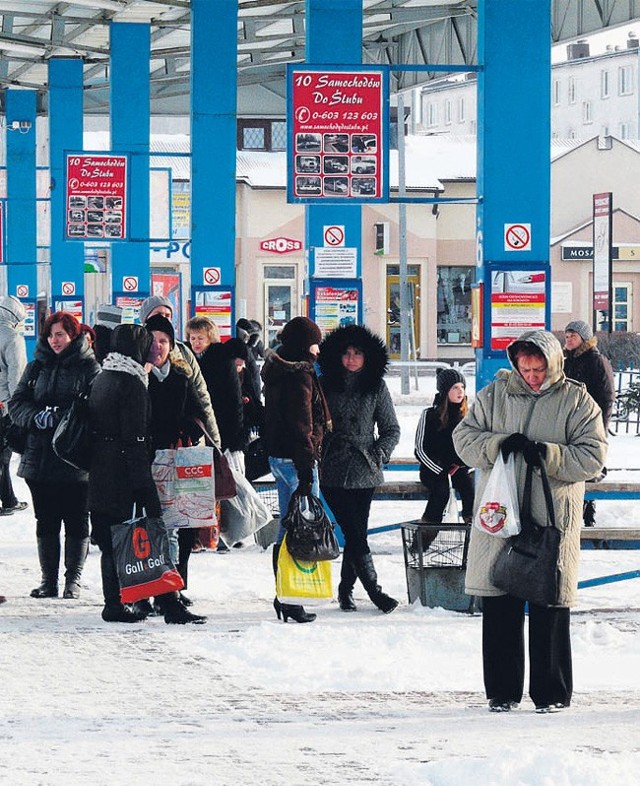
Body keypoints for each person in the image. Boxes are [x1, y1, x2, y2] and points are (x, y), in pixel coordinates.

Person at [452, 330, 607, 714]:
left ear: (553, 364)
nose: (533, 376)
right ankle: (502, 691)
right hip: (501, 515)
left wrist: (550, 455)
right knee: (500, 599)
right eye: (526, 368)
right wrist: (497, 444)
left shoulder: (577, 400)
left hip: (550, 516)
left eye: (540, 369)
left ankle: (551, 692)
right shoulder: (494, 396)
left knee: (548, 600)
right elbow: (463, 439)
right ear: (515, 364)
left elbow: (593, 456)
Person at [9, 312, 101, 599]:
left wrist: (61, 418)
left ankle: (73, 579)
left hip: (75, 458)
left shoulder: (90, 368)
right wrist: (36, 417)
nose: (54, 340)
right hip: (40, 457)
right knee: (46, 520)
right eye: (50, 334)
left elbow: (94, 409)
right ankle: (48, 580)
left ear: (73, 335)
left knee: (76, 519)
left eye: (60, 334)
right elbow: (17, 403)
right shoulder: (37, 366)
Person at [318, 324, 400, 614]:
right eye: (346, 353)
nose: (351, 359)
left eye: (358, 353)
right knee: (354, 531)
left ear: (368, 357)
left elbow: (391, 429)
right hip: (332, 466)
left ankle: (346, 590)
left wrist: (379, 453)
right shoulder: (325, 384)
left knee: (357, 531)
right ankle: (374, 591)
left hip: (365, 467)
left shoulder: (376, 386)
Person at [261, 316, 331, 623]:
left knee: (287, 526)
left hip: (279, 457)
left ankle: (284, 596)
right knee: (300, 527)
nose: (318, 348)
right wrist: (306, 471)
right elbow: (302, 426)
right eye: (314, 341)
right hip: (296, 460)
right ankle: (289, 598)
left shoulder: (278, 370)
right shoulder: (300, 375)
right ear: (305, 344)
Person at [88, 324, 159, 623]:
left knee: (108, 536)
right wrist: (143, 484)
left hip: (99, 465)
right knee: (124, 533)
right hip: (121, 469)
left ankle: (113, 600)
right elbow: (135, 437)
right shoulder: (132, 382)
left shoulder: (103, 376)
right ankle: (118, 602)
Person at [145, 314, 212, 624]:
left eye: (164, 341)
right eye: (153, 340)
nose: (157, 347)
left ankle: (169, 595)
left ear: (171, 346)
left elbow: (199, 415)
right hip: (146, 463)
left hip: (177, 461)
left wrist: (187, 430)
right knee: (153, 530)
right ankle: (153, 593)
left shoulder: (181, 377)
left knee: (175, 529)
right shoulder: (137, 378)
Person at [563, 319, 616, 527]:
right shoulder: (566, 361)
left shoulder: (596, 360)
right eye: (567, 336)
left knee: (589, 467)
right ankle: (574, 511)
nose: (568, 340)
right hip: (570, 423)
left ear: (583, 339)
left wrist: (600, 427)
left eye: (573, 336)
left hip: (590, 423)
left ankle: (588, 513)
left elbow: (606, 396)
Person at [414, 368, 474, 526]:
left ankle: (471, 531)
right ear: (445, 391)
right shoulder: (429, 415)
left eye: (462, 387)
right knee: (441, 492)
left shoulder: (467, 417)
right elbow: (419, 449)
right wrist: (440, 469)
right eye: (455, 387)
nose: (460, 391)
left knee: (470, 491)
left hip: (457, 469)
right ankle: (424, 537)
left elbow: (472, 446)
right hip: (433, 469)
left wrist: (463, 464)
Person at [0, 295, 29, 516]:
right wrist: (16, 408)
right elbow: (16, 376)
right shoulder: (12, 337)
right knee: (4, 455)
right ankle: (8, 501)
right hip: (3, 405)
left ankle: (9, 499)